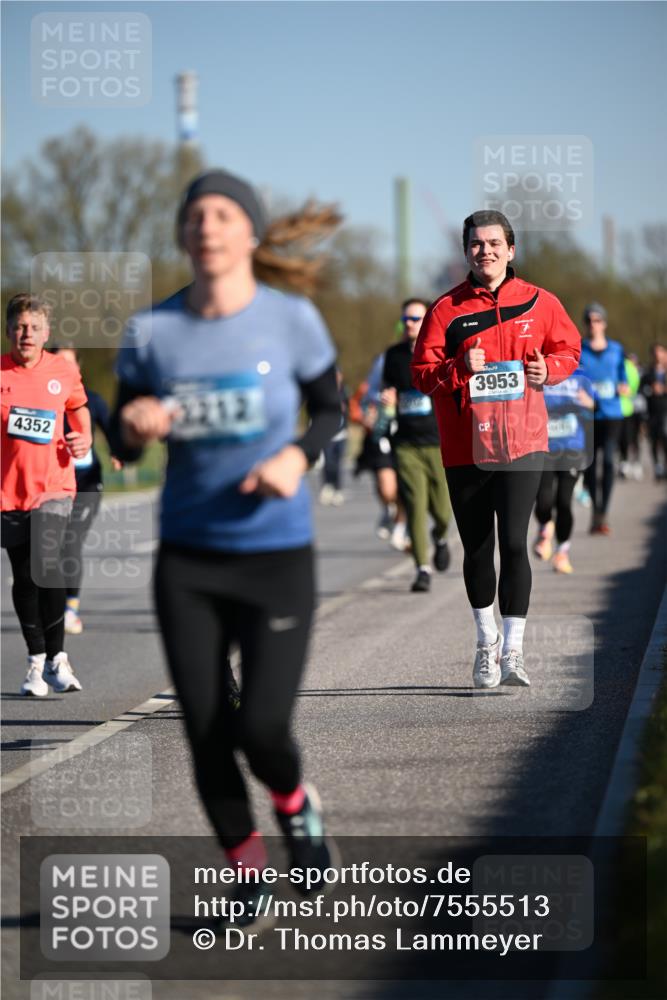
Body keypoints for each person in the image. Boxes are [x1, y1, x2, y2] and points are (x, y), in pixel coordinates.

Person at [110, 170, 341, 919]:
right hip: (189, 561)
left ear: (249, 231)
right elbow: (121, 430)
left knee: (262, 727)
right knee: (206, 729)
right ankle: (247, 874)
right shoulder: (152, 331)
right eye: (195, 216)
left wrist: (296, 457)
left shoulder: (291, 319)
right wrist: (134, 425)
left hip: (276, 555)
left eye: (222, 214)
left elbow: (330, 410)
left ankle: (296, 806)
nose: (206, 226)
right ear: (183, 234)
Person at [412, 210, 580, 689]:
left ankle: (513, 652)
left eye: (492, 243)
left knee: (514, 543)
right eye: (475, 244)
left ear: (510, 249)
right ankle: (486, 642)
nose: (484, 251)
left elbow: (569, 351)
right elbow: (421, 376)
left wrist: (550, 370)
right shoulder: (446, 310)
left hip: (523, 441)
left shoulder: (540, 302)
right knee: (478, 548)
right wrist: (459, 367)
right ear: (466, 251)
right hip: (466, 446)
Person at [1, 294, 92, 696]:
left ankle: (58, 658)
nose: (27, 334)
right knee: (24, 576)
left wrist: (84, 437)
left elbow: (79, 408)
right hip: (8, 492)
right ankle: (36, 660)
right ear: (8, 330)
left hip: (54, 486)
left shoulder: (63, 370)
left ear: (46, 332)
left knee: (47, 563)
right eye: (20, 326)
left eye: (34, 327)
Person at [49, 346, 123, 634]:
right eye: (59, 363)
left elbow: (110, 429)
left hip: (86, 484)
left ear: (78, 368)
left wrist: (117, 451)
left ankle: (71, 609)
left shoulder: (92, 400)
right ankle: (49, 604)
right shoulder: (42, 398)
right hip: (51, 485)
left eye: (69, 364)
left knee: (70, 542)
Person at [382, 298, 451, 592]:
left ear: (427, 322)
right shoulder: (393, 356)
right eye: (406, 319)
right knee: (415, 506)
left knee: (442, 510)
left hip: (438, 441)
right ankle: (422, 568)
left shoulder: (441, 352)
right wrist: (388, 401)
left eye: (415, 319)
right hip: (406, 444)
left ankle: (441, 536)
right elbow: (389, 392)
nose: (409, 324)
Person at [533, 372, 594, 574]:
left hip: (572, 447)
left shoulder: (581, 375)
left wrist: (590, 404)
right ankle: (545, 527)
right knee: (543, 499)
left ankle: (562, 552)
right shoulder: (538, 371)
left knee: (564, 501)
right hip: (544, 446)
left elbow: (595, 407)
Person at [578, 303, 629, 534]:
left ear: (604, 323)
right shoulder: (579, 349)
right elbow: (573, 378)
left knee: (608, 461)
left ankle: (603, 513)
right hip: (588, 415)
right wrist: (581, 394)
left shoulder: (616, 349)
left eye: (597, 320)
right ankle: (595, 510)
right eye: (589, 320)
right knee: (589, 464)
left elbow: (624, 378)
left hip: (612, 413)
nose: (593, 324)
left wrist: (623, 386)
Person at [350, 354, 408, 549]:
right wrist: (365, 418)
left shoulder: (413, 366)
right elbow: (356, 405)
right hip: (380, 438)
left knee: (405, 489)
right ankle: (388, 508)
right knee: (387, 487)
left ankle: (400, 530)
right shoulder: (378, 370)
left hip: (405, 436)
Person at [319, 368, 348, 506]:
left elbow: (351, 409)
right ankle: (327, 486)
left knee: (338, 463)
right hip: (328, 434)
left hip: (342, 433)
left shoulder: (344, 392)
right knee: (328, 462)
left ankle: (337, 488)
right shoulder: (325, 392)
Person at [640, 343, 667, 479]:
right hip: (652, 412)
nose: (658, 356)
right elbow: (641, 390)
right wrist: (651, 390)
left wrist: (663, 389)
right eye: (655, 353)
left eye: (660, 352)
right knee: (654, 440)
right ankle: (657, 466)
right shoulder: (647, 373)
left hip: (665, 412)